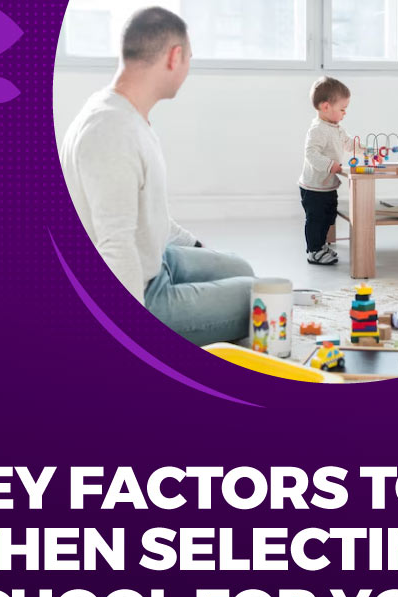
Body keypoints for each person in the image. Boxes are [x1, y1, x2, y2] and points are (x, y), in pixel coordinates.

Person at [60, 7, 254, 346]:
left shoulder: (126, 114)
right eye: (190, 58)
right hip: (142, 292)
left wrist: (196, 247)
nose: (188, 68)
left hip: (157, 258)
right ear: (174, 56)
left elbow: (151, 215)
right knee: (259, 296)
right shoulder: (110, 132)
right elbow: (115, 243)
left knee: (242, 268)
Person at [298, 77, 357, 266]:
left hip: (328, 185)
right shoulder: (317, 130)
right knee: (316, 219)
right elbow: (311, 154)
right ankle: (314, 251)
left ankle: (321, 246)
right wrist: (330, 164)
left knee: (329, 216)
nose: (345, 113)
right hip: (314, 186)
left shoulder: (336, 128)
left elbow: (348, 143)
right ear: (325, 107)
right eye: (342, 109)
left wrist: (364, 149)